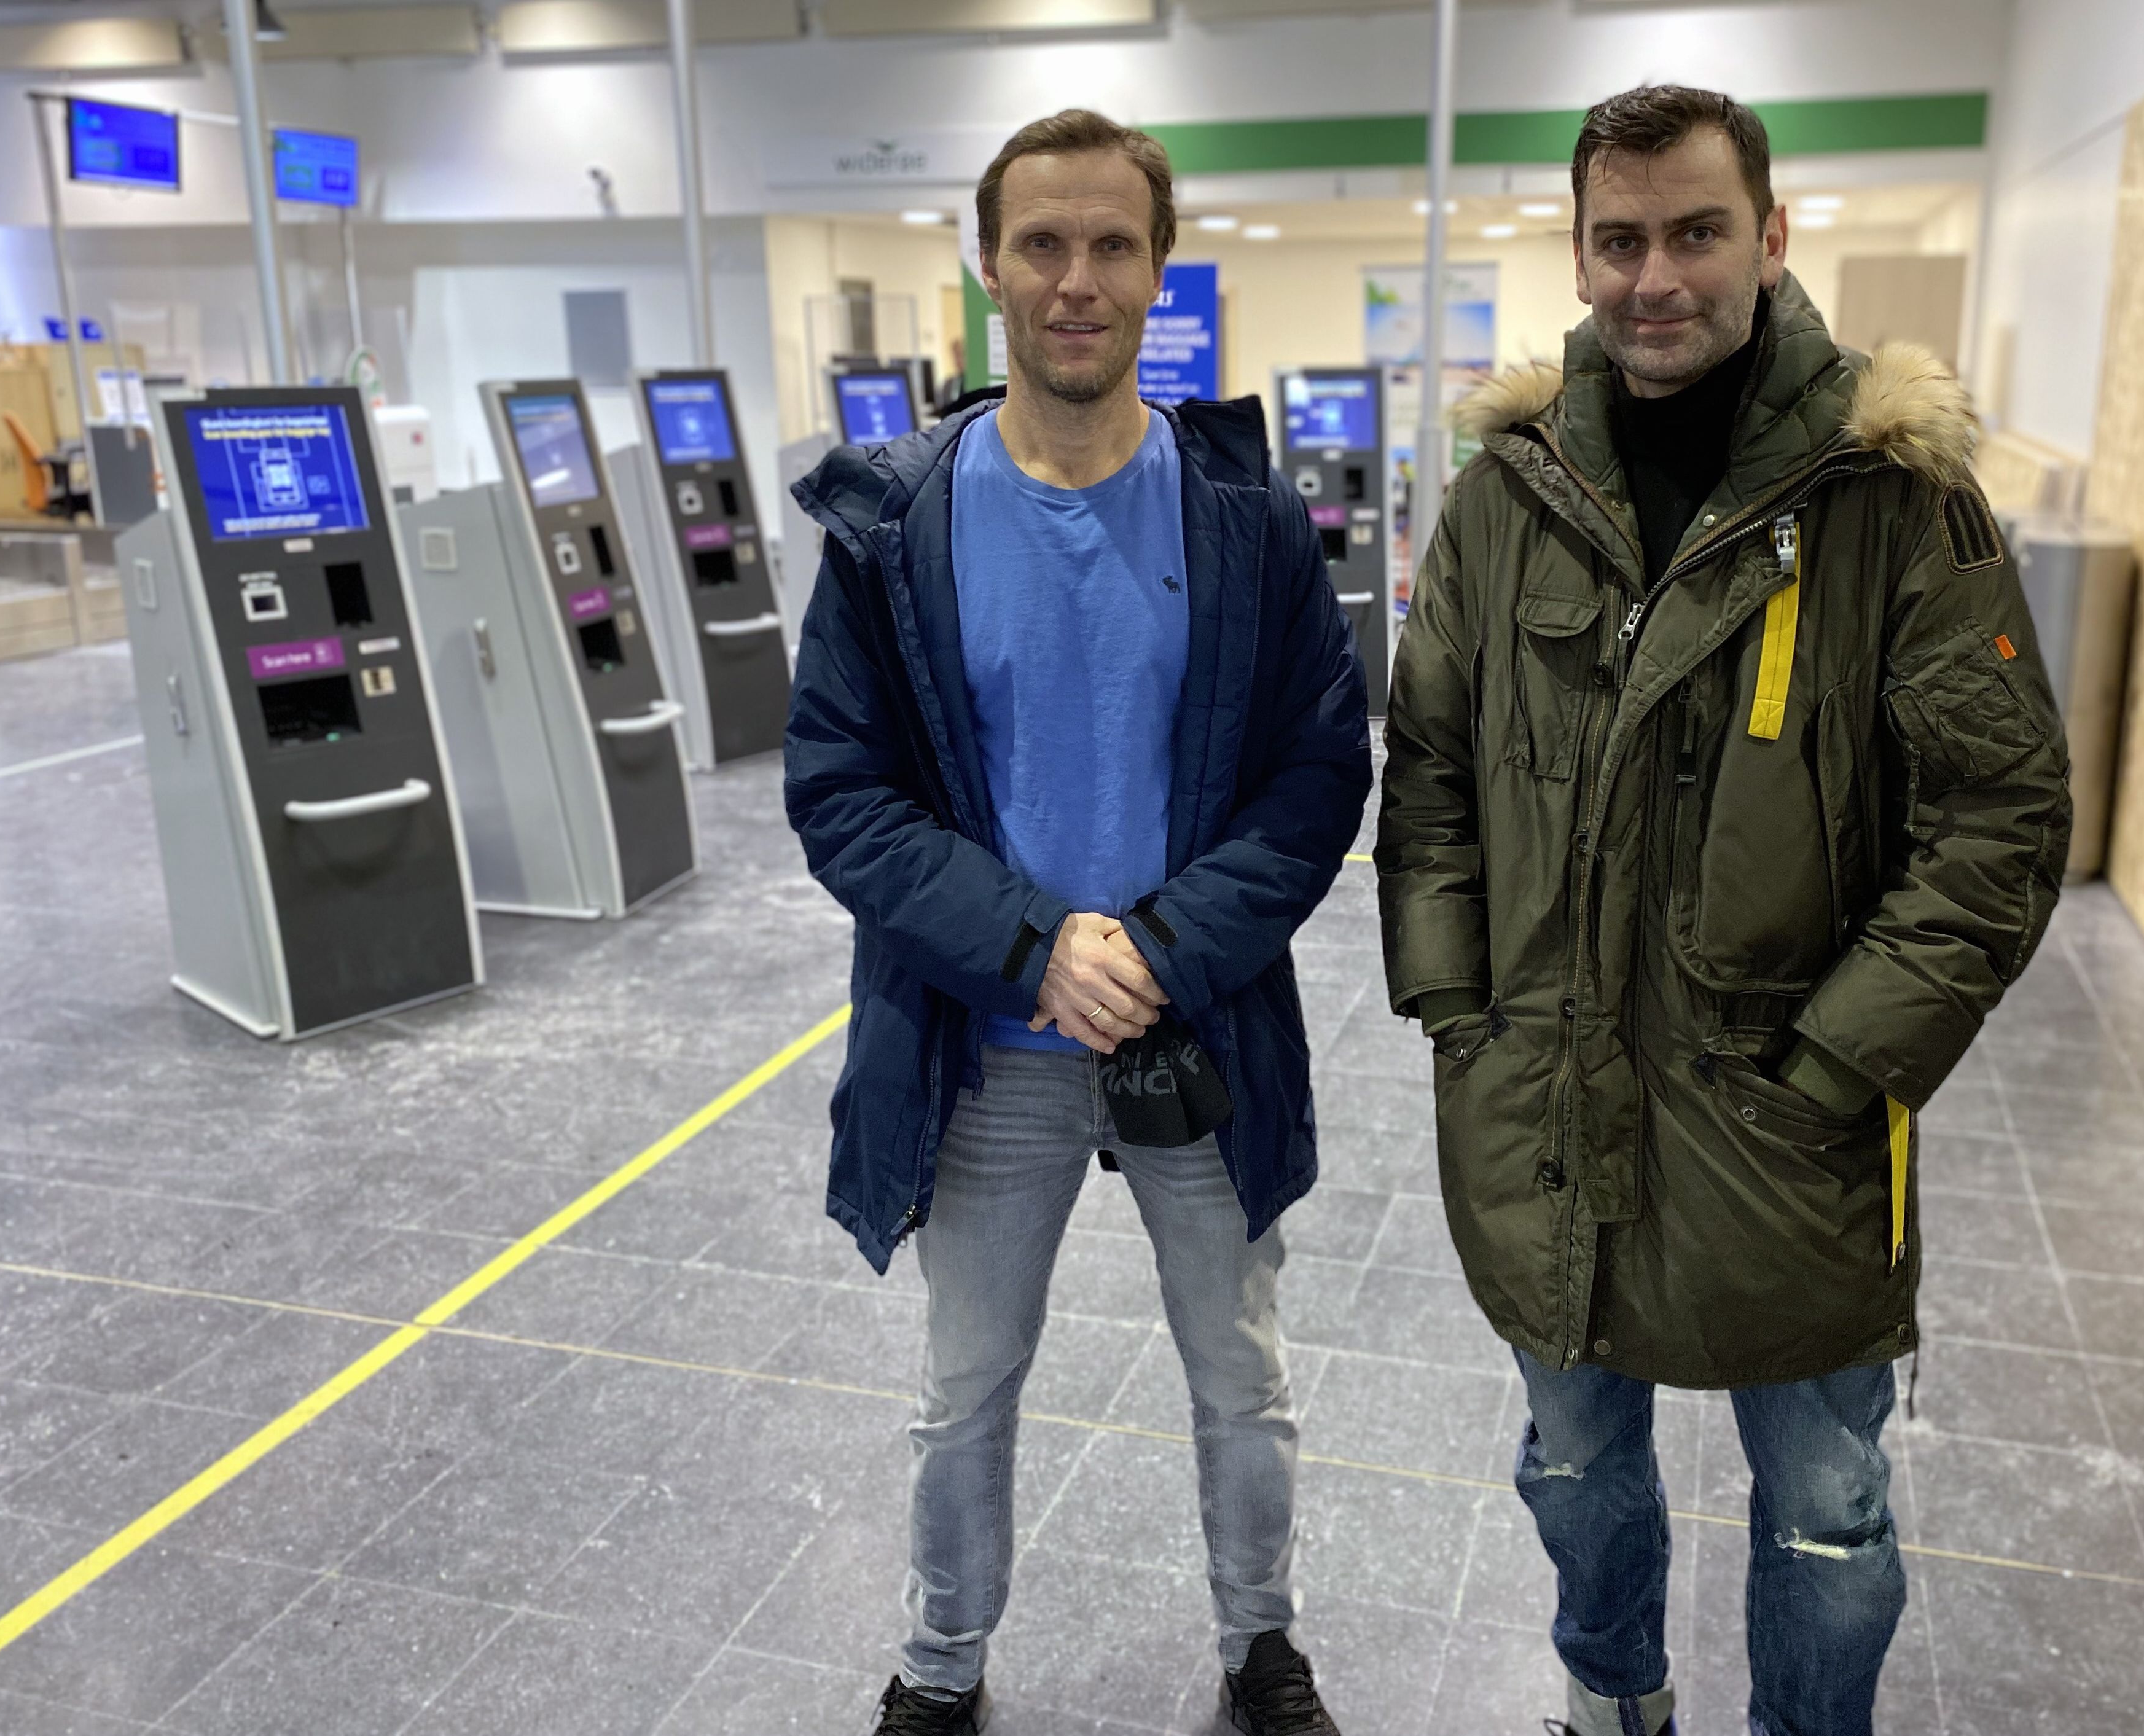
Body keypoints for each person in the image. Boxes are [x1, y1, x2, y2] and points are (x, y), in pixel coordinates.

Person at [1376, 85, 2072, 1736]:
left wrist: (1842, 1066)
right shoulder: (1508, 497)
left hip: (1789, 1124)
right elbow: (1432, 773)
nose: (1655, 277)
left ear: (1772, 237)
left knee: (1829, 1517)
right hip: (1547, 1106)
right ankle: (1612, 1698)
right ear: (1577, 254)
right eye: (1619, 240)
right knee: (1573, 1469)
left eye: (1697, 231)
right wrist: (1460, 1015)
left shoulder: (1892, 499)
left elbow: (2001, 815)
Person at [784, 109, 1369, 1736]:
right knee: (964, 1386)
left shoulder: (1243, 517)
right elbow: (840, 788)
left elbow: (1318, 773)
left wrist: (1162, 951)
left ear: (1160, 269)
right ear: (990, 265)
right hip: (987, 1041)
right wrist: (1035, 944)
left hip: (1198, 1021)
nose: (1076, 280)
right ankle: (941, 1665)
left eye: (1113, 244)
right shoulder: (896, 524)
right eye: (1042, 243)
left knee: (1240, 1376)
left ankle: (1262, 1647)